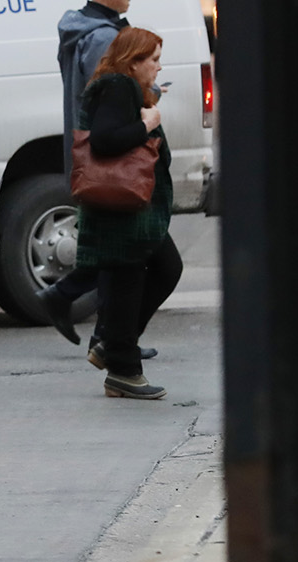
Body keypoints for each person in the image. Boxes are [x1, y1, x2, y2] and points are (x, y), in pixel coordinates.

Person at [74, 26, 181, 400]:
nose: (157, 66)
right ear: (132, 62)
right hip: (125, 205)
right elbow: (104, 140)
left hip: (134, 207)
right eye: (152, 60)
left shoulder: (123, 85)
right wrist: (146, 125)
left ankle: (115, 347)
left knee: (158, 270)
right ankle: (122, 368)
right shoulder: (118, 86)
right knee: (132, 279)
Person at [39, 0, 137, 345]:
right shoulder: (101, 38)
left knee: (116, 250)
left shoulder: (82, 29)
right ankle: (66, 300)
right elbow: (112, 98)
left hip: (87, 156)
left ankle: (105, 335)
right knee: (125, 251)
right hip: (105, 159)